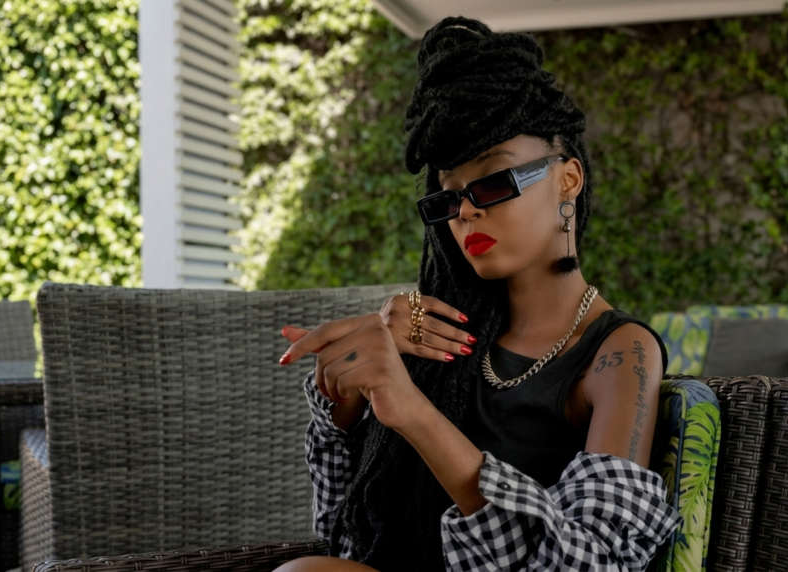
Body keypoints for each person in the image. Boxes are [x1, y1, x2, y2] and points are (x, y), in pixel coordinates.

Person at [274, 16, 681, 572]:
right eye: (448, 197)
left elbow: (596, 563)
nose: (466, 211)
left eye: (493, 182)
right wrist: (351, 404)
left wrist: (414, 412)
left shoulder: (621, 352)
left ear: (568, 179)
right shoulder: (441, 333)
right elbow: (343, 533)